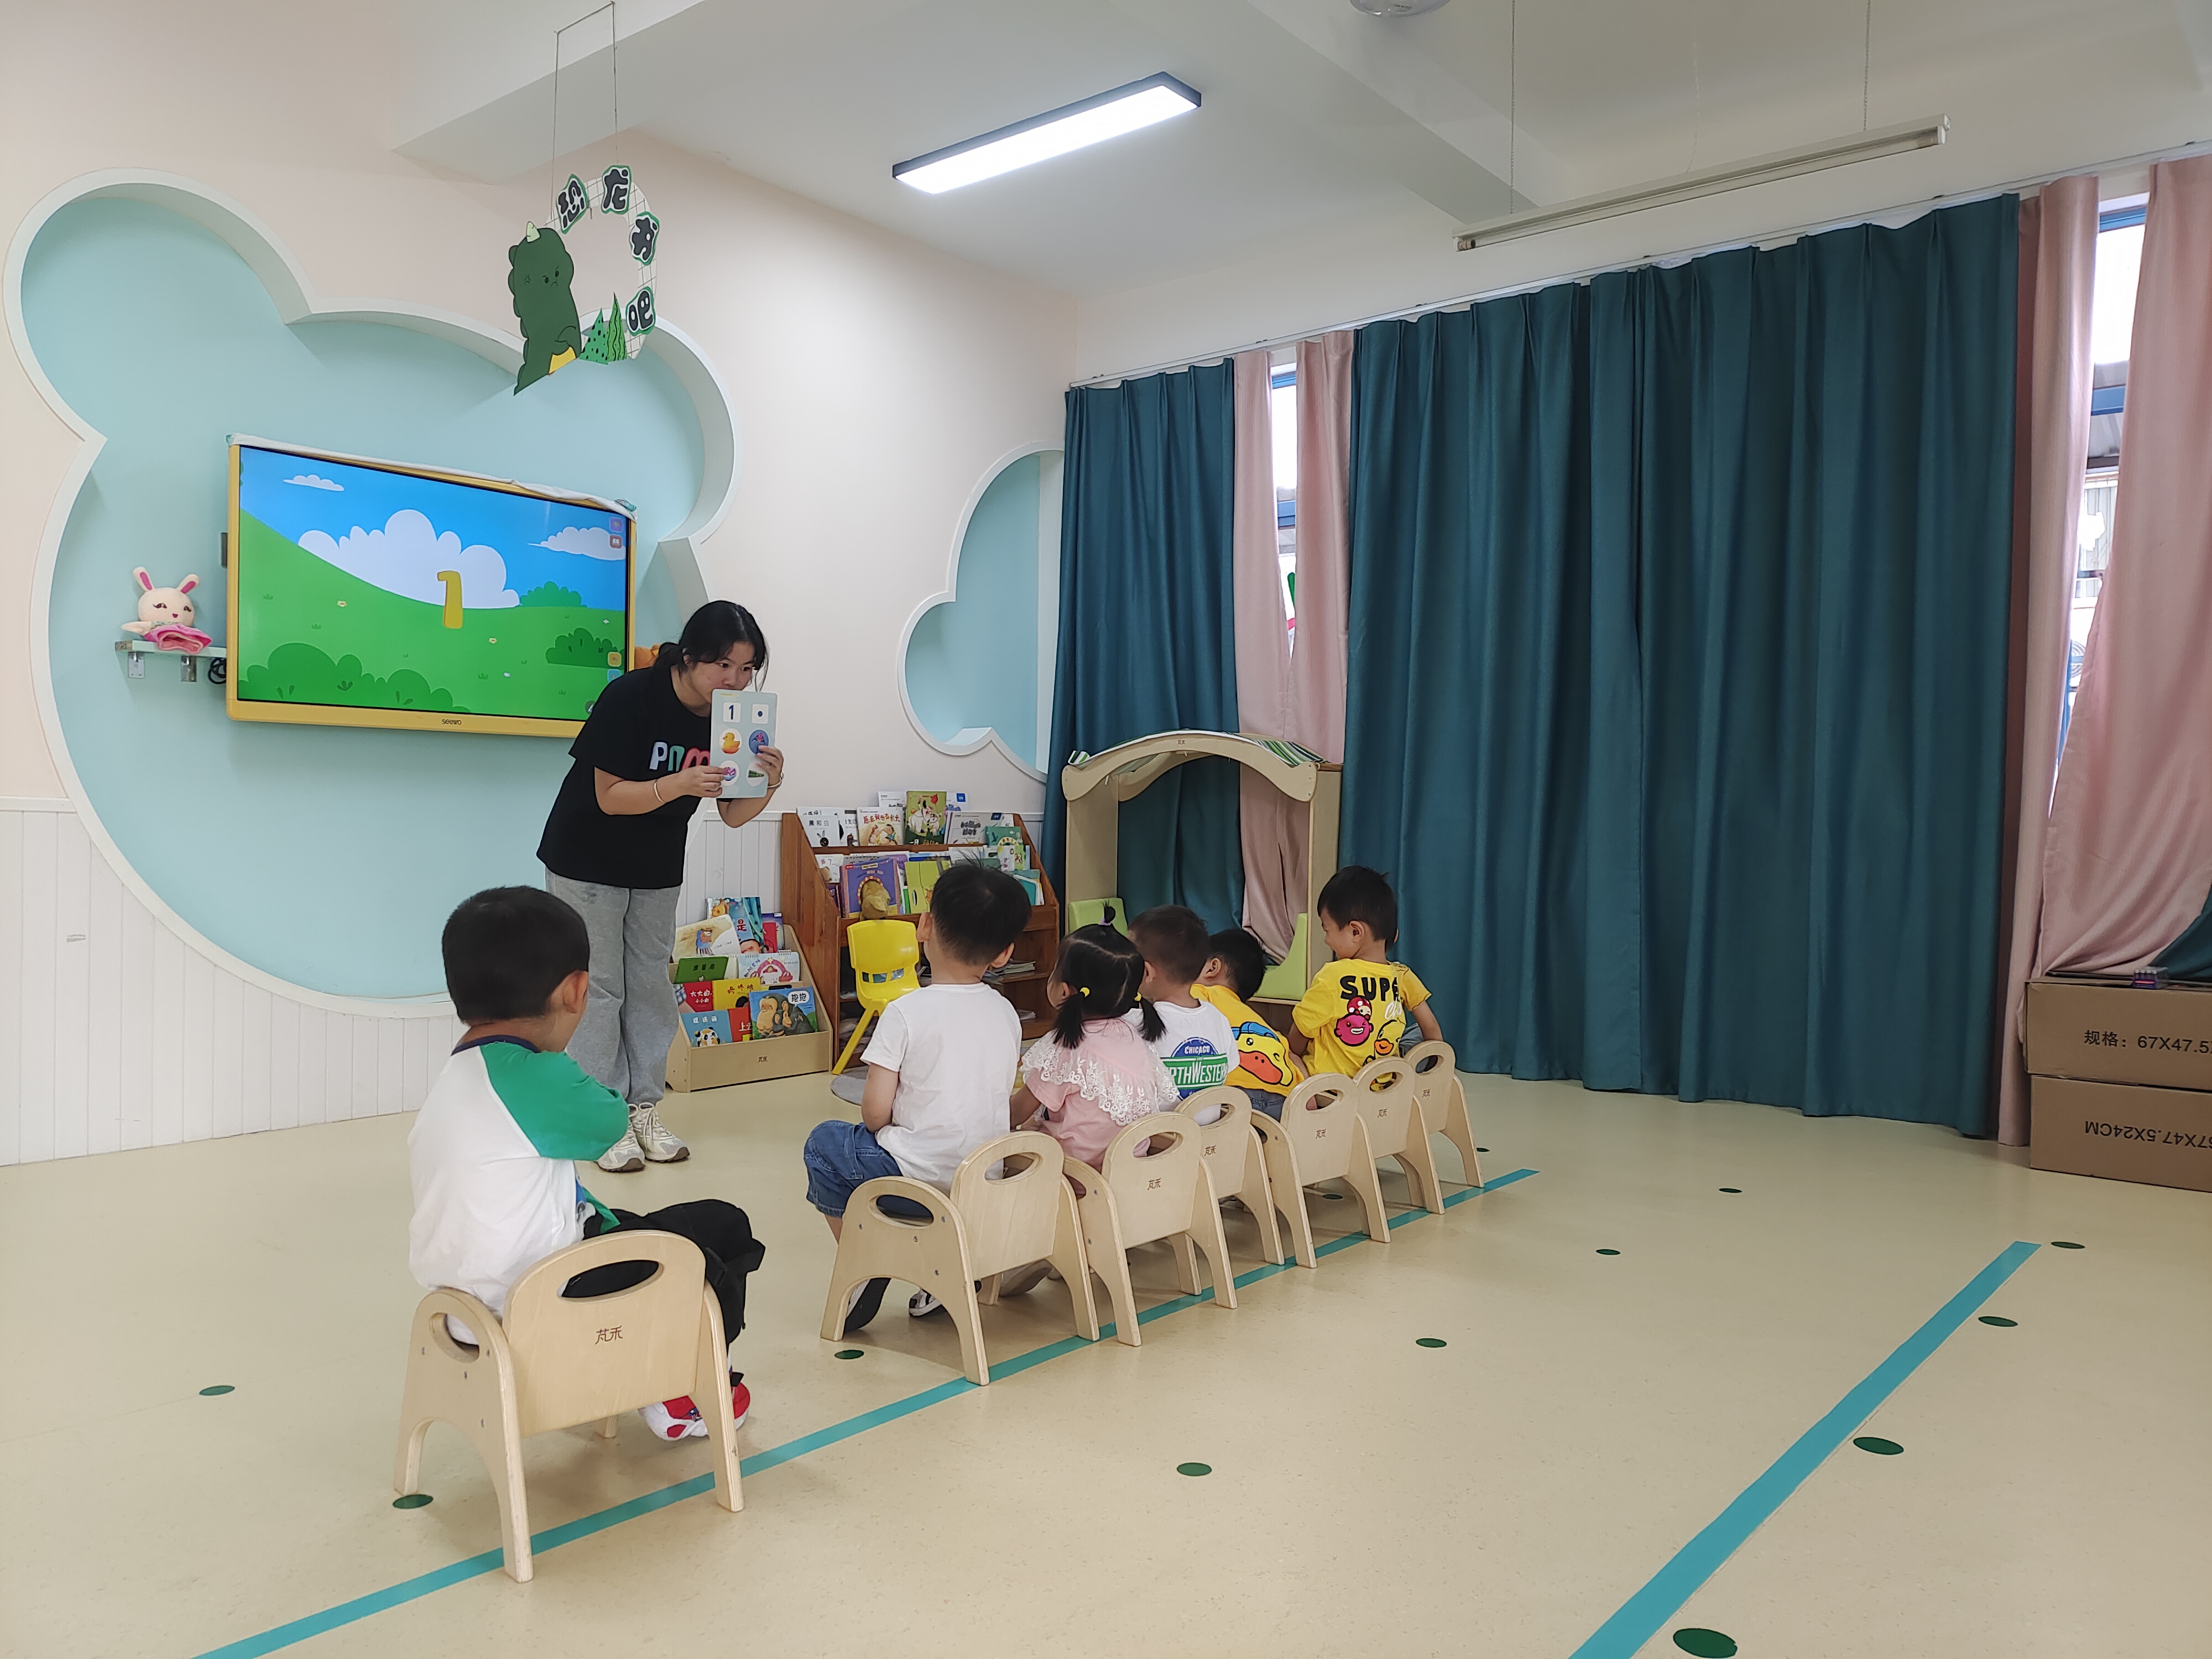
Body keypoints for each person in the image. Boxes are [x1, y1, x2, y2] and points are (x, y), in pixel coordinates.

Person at [408, 888, 765, 1441]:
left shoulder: (458, 1075)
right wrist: (560, 1063)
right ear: (577, 990)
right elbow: (608, 1123)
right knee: (717, 1233)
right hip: (542, 1299)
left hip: (460, 1310)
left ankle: (670, 1379)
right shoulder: (532, 1073)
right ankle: (683, 1390)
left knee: (640, 1225)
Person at [535, 601, 785, 1175]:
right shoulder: (632, 696)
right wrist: (677, 783)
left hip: (655, 867)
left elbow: (733, 815)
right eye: (724, 666)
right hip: (586, 858)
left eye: (748, 669)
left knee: (649, 984)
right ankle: (603, 1118)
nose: (736, 681)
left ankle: (642, 1108)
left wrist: (770, 783)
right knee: (599, 988)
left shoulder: (731, 721)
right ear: (690, 656)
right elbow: (608, 797)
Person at [801, 863, 1032, 1326]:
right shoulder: (1007, 1012)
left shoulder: (905, 1012)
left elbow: (874, 1114)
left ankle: (866, 1260)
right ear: (1004, 953)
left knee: (824, 1144)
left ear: (924, 925)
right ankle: (941, 1276)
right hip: (982, 1183)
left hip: (917, 1184)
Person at [1011, 924, 1178, 1171]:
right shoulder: (1133, 1036)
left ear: (1064, 991)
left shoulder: (1064, 1047)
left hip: (1076, 1178)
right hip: (1131, 1173)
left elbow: (1015, 1114)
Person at [1290, 867, 1442, 1077]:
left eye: (1327, 930)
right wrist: (1435, 1069)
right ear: (1395, 936)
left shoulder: (1332, 976)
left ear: (1355, 932)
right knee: (1415, 1034)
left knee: (1283, 1049)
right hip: (1384, 1083)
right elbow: (1431, 1029)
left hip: (1336, 1085)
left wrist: (1292, 1054)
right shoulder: (1402, 975)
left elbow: (1300, 1032)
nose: (1327, 940)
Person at [1125, 905, 1237, 1117]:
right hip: (1213, 1134)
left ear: (1147, 972)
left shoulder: (1133, 1023)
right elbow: (1228, 1073)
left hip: (1160, 1136)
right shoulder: (1218, 1019)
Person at [1193, 926, 1306, 1119]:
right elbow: (1292, 1056)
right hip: (1282, 1099)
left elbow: (1178, 1013)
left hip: (1236, 1094)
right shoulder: (1258, 1022)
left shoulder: (1202, 992)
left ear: (1212, 968)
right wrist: (1308, 1097)